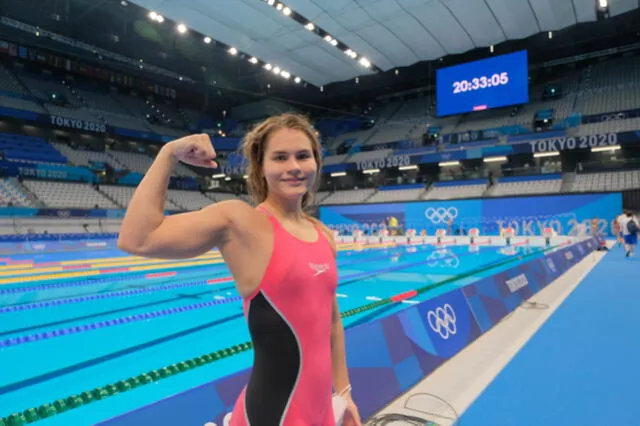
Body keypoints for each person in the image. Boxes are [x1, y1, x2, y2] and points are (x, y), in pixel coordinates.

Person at [118, 113, 362, 426]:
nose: (294, 167)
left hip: (321, 413)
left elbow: (331, 322)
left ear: (315, 162)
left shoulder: (322, 234)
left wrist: (344, 394)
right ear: (261, 167)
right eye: (279, 157)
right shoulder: (241, 222)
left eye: (303, 155)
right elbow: (136, 239)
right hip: (271, 415)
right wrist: (169, 154)